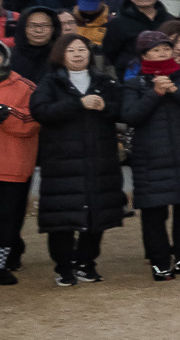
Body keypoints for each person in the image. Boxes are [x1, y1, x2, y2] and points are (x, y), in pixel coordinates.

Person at [121, 30, 180, 280]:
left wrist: (176, 90)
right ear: (144, 55)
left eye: (166, 47)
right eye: (156, 49)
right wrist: (155, 93)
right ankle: (159, 262)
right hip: (149, 158)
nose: (163, 52)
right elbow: (130, 116)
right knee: (154, 214)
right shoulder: (134, 83)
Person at [32, 34, 126, 285]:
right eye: (71, 50)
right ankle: (63, 267)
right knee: (62, 218)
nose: (77, 54)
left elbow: (122, 110)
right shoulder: (50, 82)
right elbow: (40, 111)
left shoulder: (105, 81)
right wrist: (78, 103)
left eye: (82, 49)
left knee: (99, 214)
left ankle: (86, 262)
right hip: (62, 163)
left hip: (101, 160)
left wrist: (104, 106)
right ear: (60, 54)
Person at [0, 40, 33, 285]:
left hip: (12, 164)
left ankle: (2, 263)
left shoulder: (25, 86)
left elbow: (33, 123)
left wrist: (6, 114)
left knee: (9, 218)